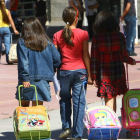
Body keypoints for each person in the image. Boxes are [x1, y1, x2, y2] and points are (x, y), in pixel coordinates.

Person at [15, 17, 61, 140]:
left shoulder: (23, 42)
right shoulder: (47, 41)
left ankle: (25, 133)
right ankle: (37, 133)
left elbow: (23, 62)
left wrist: (25, 78)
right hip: (43, 79)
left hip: (28, 79)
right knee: (37, 110)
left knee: (24, 109)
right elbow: (57, 59)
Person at [53, 6, 92, 140]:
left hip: (64, 72)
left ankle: (66, 127)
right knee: (79, 102)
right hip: (80, 72)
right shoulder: (83, 33)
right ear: (77, 18)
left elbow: (56, 57)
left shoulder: (57, 35)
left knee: (64, 99)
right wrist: (90, 75)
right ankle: (77, 134)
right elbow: (86, 55)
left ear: (65, 19)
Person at [90, 10, 136, 112]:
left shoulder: (96, 38)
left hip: (104, 76)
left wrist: (93, 77)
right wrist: (132, 61)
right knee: (113, 98)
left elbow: (94, 60)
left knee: (109, 99)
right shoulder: (120, 36)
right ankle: (113, 122)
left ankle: (111, 125)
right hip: (118, 74)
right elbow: (124, 57)